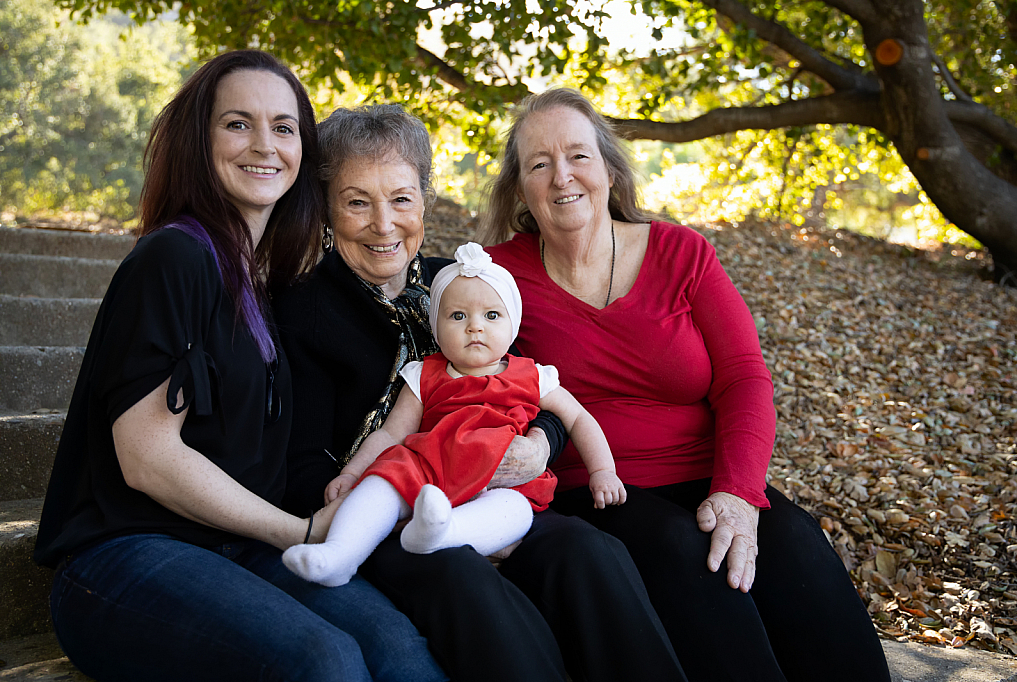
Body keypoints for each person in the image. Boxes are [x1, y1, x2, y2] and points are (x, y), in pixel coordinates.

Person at [32, 50, 445, 682]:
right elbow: (147, 457)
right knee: (323, 660)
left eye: (283, 127)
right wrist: (296, 530)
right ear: (201, 138)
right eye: (237, 123)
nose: (264, 144)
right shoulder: (174, 257)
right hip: (125, 557)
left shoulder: (259, 278)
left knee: (399, 649)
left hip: (235, 551)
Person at [479, 87, 892, 682]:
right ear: (520, 187)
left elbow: (745, 378)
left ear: (609, 171)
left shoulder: (682, 253)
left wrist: (738, 494)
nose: (561, 175)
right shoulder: (498, 278)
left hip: (708, 473)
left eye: (578, 156)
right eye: (538, 163)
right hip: (596, 488)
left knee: (794, 541)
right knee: (679, 548)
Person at [273, 104, 687, 682]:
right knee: (465, 581)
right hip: (383, 514)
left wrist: (540, 445)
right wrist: (390, 504)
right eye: (357, 201)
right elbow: (301, 467)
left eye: (400, 198)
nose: (384, 224)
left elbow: (536, 385)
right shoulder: (302, 313)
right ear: (326, 208)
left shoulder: (466, 284)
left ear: (425, 200)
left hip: (496, 489)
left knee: (589, 552)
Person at [282, 242, 626, 587]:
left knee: (514, 512)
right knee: (378, 487)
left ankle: (443, 533)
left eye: (491, 315)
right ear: (436, 327)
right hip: (427, 471)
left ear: (513, 324)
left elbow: (578, 418)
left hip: (499, 482)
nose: (474, 327)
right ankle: (340, 554)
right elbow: (390, 435)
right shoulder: (424, 374)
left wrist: (603, 470)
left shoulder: (533, 375)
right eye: (458, 316)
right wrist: (354, 473)